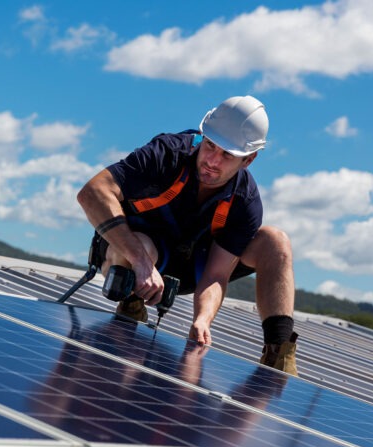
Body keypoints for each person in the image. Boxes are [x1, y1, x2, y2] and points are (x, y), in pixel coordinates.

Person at [76, 95, 298, 375]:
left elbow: (216, 275)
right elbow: (92, 192)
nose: (212, 161)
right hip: (135, 255)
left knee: (275, 242)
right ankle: (131, 303)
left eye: (227, 155)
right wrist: (142, 262)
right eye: (210, 146)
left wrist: (203, 320)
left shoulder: (245, 201)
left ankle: (279, 358)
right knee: (143, 247)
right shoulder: (166, 153)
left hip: (193, 267)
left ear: (249, 160)